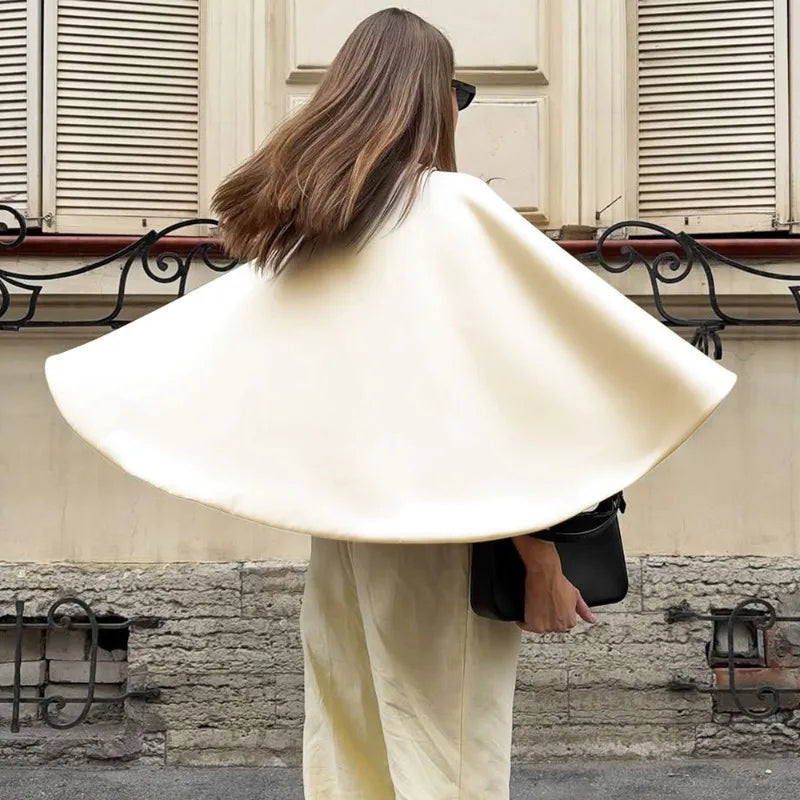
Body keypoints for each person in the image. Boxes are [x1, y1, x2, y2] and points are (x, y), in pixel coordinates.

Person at [44, 8, 736, 800]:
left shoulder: (321, 231)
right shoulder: (451, 212)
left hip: (347, 533)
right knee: (447, 755)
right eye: (456, 95)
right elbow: (493, 403)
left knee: (351, 747)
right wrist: (541, 554)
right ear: (430, 100)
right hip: (446, 538)